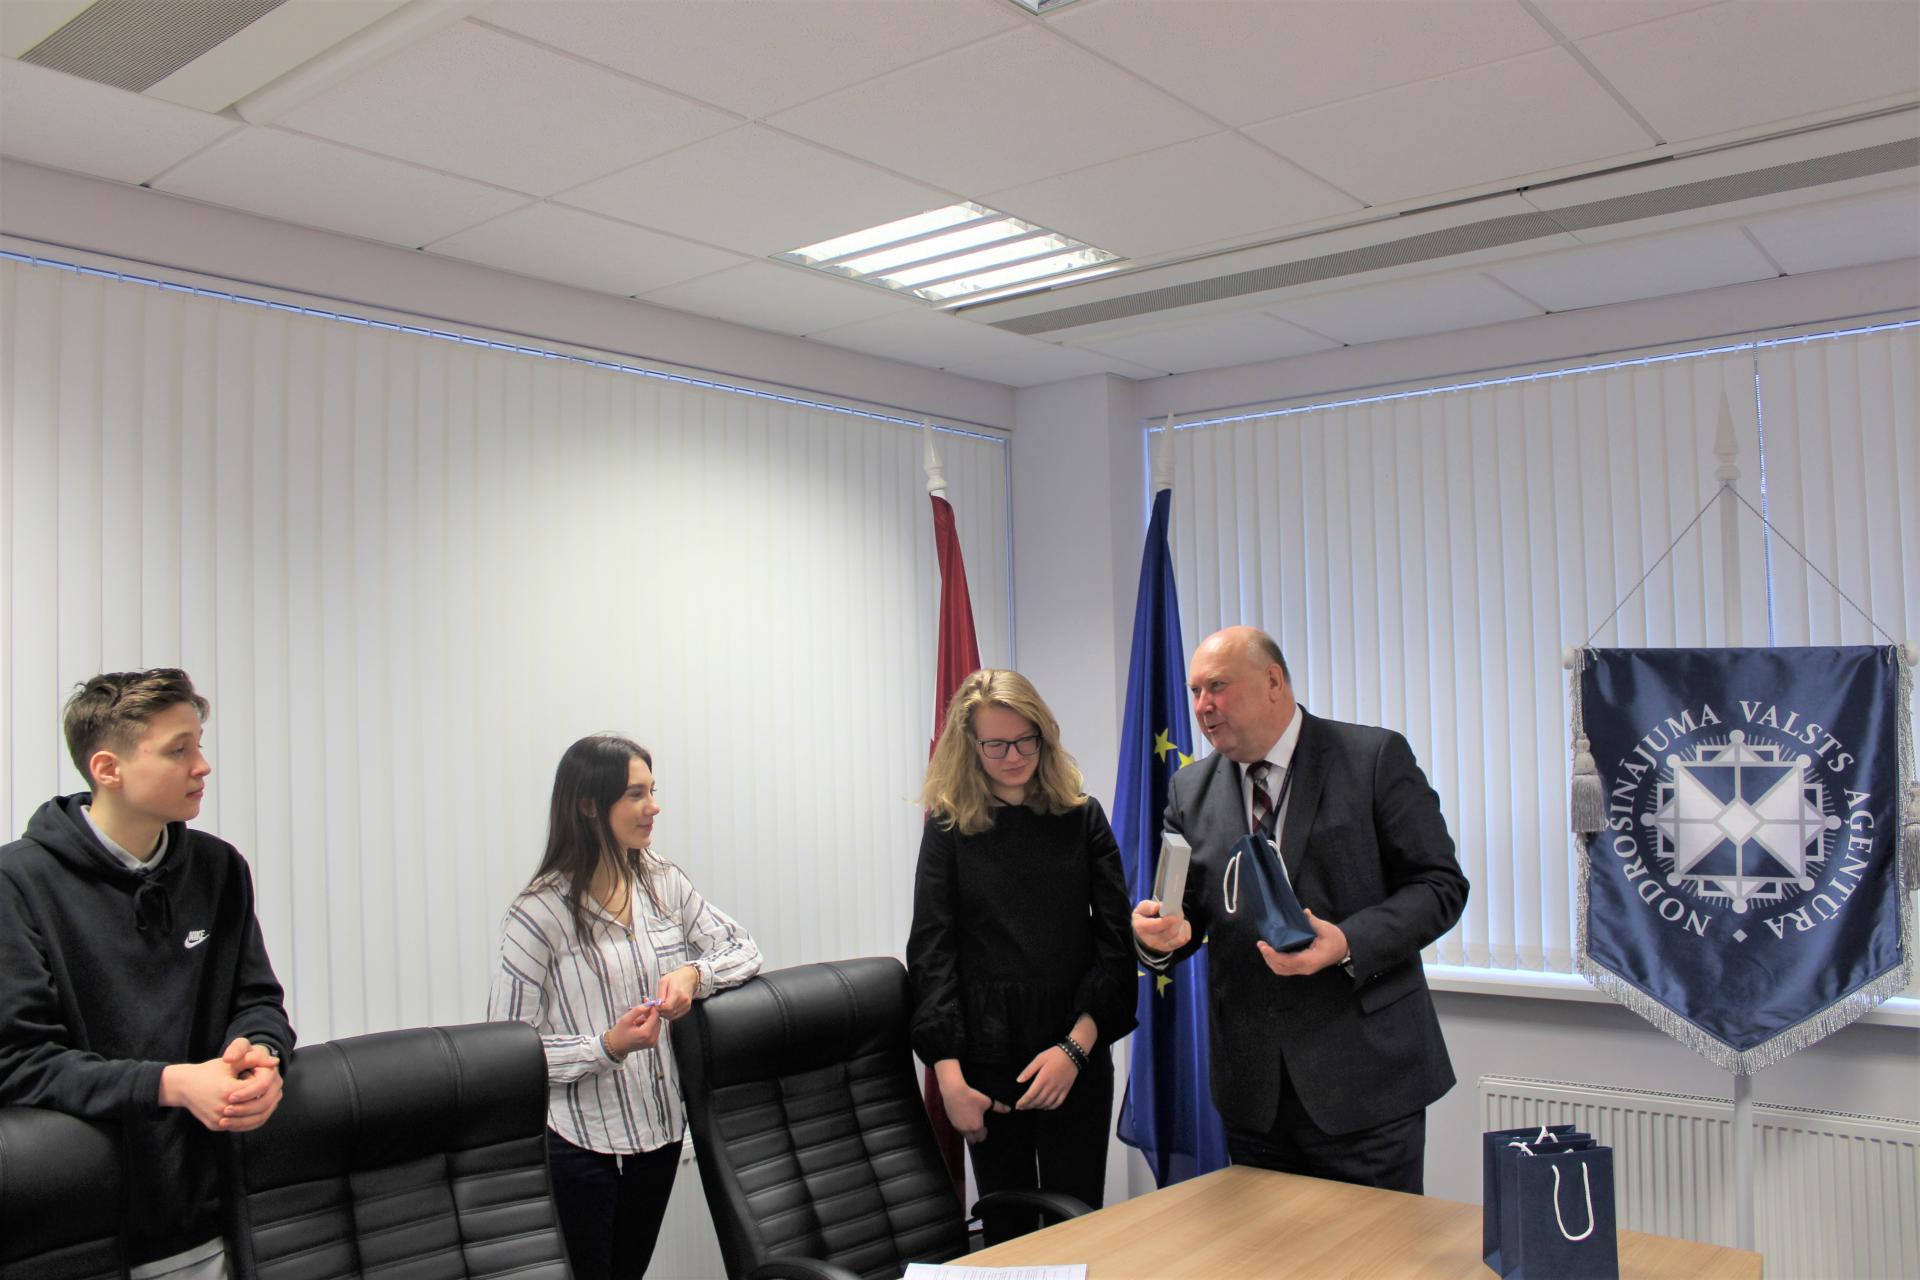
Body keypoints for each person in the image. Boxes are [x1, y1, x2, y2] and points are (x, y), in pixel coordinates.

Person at [1132, 627, 1467, 1193]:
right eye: (1195, 692)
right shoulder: (1190, 789)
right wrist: (1157, 935)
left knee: (1373, 1247)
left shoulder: (1372, 759)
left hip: (1366, 1083)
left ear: (1273, 682)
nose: (1203, 706)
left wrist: (1348, 942)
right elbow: (1183, 912)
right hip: (1253, 1092)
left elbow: (1439, 886)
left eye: (1217, 686)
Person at [0, 669, 294, 1279]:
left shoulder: (218, 867)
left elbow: (258, 999)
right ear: (108, 769)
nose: (203, 766)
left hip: (217, 1213)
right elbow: (21, 1063)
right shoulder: (18, 883)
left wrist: (263, 1052)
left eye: (199, 745)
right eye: (178, 750)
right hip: (88, 1231)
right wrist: (173, 1084)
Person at [489, 734, 761, 1280]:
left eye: (653, 791)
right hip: (579, 1143)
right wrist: (606, 1047)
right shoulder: (538, 914)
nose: (653, 807)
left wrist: (694, 975)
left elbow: (743, 949)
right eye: (636, 794)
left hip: (660, 1134)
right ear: (590, 805)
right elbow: (507, 1054)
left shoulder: (662, 881)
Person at [908, 670, 1136, 1242]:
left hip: (1075, 1052)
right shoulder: (948, 827)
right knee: (1006, 1233)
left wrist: (1074, 1051)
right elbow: (932, 954)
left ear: (1044, 736)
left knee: (1076, 1229)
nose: (1013, 757)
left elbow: (1115, 945)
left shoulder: (1083, 817)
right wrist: (949, 1079)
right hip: (984, 1062)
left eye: (1025, 741)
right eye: (996, 745)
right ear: (970, 745)